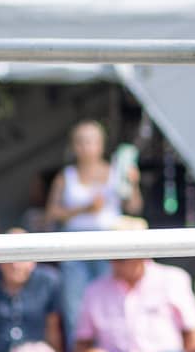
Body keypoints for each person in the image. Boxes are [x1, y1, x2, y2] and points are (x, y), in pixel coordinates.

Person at [45, 118, 140, 337]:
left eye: (91, 141)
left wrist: (133, 184)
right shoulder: (65, 176)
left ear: (101, 144)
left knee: (110, 304)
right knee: (74, 308)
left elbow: (133, 207)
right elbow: (51, 213)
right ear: (73, 146)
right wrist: (83, 209)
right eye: (80, 142)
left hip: (109, 246)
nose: (86, 147)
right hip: (73, 246)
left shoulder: (116, 172)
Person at [72, 256, 195, 352]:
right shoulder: (94, 290)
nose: (113, 263)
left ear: (141, 256)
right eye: (110, 257)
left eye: (120, 258)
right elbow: (83, 342)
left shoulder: (173, 279)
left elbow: (194, 331)